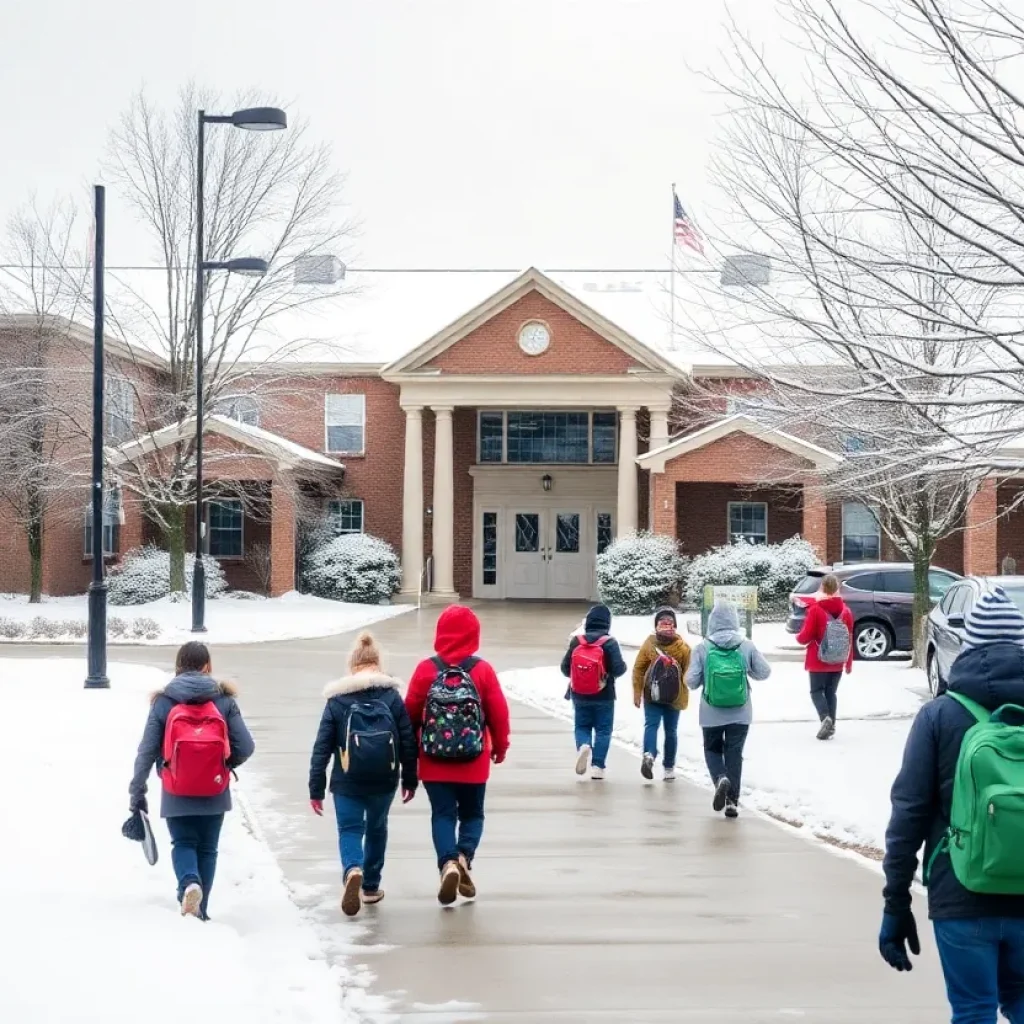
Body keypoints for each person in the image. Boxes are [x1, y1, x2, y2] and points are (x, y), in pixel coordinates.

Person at [880, 587, 1024, 1021]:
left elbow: (909, 813)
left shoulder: (939, 716)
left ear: (967, 643)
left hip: (960, 892)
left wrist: (895, 902)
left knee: (973, 1009)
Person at [129, 641, 254, 920]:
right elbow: (245, 745)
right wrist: (224, 764)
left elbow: (146, 750)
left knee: (183, 842)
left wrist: (137, 789)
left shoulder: (164, 702)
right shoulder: (223, 700)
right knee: (208, 848)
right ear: (207, 666)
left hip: (177, 788)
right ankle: (202, 910)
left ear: (178, 665)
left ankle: (189, 883)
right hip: (214, 786)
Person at [405, 605, 510, 906]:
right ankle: (464, 856)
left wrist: (408, 754)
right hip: (474, 760)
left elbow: (409, 713)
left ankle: (447, 863)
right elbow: (498, 714)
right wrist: (500, 747)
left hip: (433, 761)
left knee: (442, 814)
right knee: (473, 814)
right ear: (474, 635)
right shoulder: (482, 670)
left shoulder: (427, 669)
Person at [308, 631, 418, 917]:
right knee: (377, 828)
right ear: (378, 663)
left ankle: (352, 868)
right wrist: (409, 779)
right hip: (384, 779)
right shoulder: (392, 697)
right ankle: (370, 887)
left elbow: (321, 747)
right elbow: (407, 740)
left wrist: (316, 789)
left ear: (352, 664)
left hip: (347, 779)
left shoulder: (337, 699)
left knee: (349, 829)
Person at [685, 601, 771, 818]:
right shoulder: (746, 645)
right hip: (741, 712)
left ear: (712, 621)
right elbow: (764, 672)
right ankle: (732, 802)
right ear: (735, 620)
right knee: (734, 754)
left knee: (712, 750)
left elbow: (691, 681)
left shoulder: (702, 648)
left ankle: (720, 778)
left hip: (710, 712)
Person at [561, 604, 627, 780]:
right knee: (603, 730)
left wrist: (580, 675)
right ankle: (598, 766)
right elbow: (619, 669)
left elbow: (565, 669)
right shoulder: (609, 643)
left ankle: (583, 745)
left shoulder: (577, 641)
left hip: (579, 694)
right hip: (604, 695)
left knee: (581, 726)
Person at [632, 607, 691, 782]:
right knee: (671, 731)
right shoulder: (683, 647)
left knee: (651, 725)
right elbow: (689, 673)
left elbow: (639, 668)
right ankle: (669, 767)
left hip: (652, 693)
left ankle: (649, 754)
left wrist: (637, 691)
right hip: (675, 697)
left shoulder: (649, 644)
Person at [796, 573, 854, 740]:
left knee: (816, 691)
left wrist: (798, 636)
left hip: (818, 659)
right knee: (831, 693)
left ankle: (825, 718)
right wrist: (848, 663)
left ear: (822, 588)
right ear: (837, 589)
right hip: (838, 660)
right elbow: (850, 637)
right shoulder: (846, 611)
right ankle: (832, 725)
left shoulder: (816, 610)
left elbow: (805, 637)